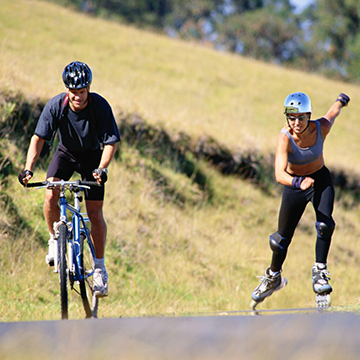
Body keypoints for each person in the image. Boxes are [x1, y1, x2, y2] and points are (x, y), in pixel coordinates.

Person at [18, 61, 121, 298]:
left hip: (92, 158)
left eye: (82, 92)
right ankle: (55, 239)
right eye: (73, 92)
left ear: (88, 89)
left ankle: (99, 269)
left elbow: (110, 142)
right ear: (67, 90)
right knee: (50, 194)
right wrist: (28, 169)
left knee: (95, 213)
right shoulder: (56, 105)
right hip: (65, 154)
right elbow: (38, 139)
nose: (77, 97)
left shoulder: (100, 106)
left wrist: (102, 168)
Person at [251, 91, 350, 308]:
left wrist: (340, 101)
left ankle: (320, 272)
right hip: (295, 184)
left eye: (302, 118)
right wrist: (298, 183)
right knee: (279, 241)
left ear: (309, 116)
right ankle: (273, 277)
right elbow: (279, 174)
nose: (296, 123)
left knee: (325, 224)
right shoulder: (284, 138)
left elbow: (332, 114)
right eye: (292, 117)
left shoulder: (320, 128)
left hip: (320, 180)